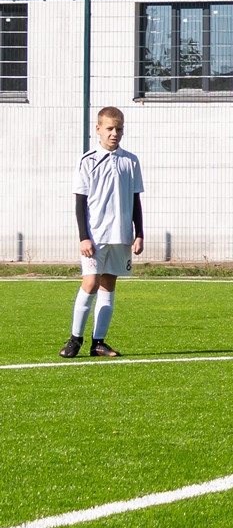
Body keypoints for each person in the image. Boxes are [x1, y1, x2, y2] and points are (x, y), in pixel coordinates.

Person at [61, 107, 145, 359]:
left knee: (109, 285)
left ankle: (98, 342)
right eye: (109, 128)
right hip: (95, 236)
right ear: (98, 129)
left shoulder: (131, 161)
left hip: (120, 235)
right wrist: (83, 236)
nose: (114, 133)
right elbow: (80, 202)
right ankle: (75, 338)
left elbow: (135, 200)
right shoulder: (88, 160)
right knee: (90, 283)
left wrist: (138, 233)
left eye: (119, 129)